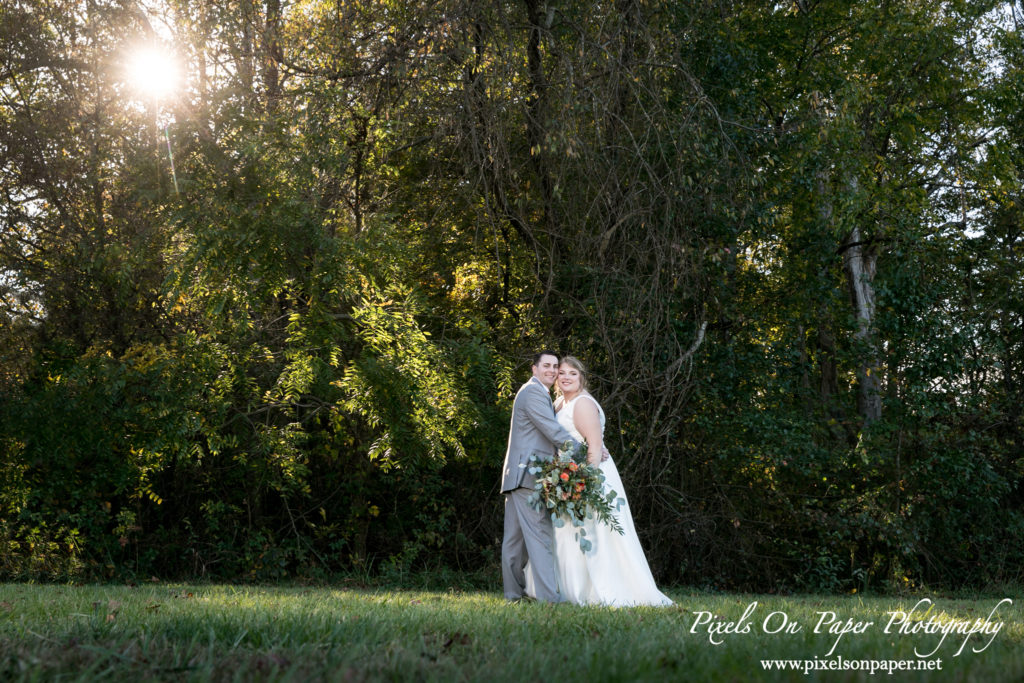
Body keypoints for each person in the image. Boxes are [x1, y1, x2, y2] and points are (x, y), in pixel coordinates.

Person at [546, 356, 673, 607]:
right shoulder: (559, 403)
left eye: (573, 373)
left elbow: (594, 446)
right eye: (562, 373)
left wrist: (584, 484)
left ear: (582, 377)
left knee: (598, 533)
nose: (566, 377)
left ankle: (607, 591)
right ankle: (570, 590)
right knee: (569, 532)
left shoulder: (582, 403)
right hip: (566, 473)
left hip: (590, 476)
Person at [500, 350, 577, 602]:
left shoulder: (536, 392)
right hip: (527, 475)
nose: (552, 370)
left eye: (555, 366)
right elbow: (553, 431)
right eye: (546, 365)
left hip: (517, 475)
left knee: (514, 541)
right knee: (540, 535)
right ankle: (548, 599)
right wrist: (583, 449)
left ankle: (513, 595)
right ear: (534, 369)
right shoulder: (533, 392)